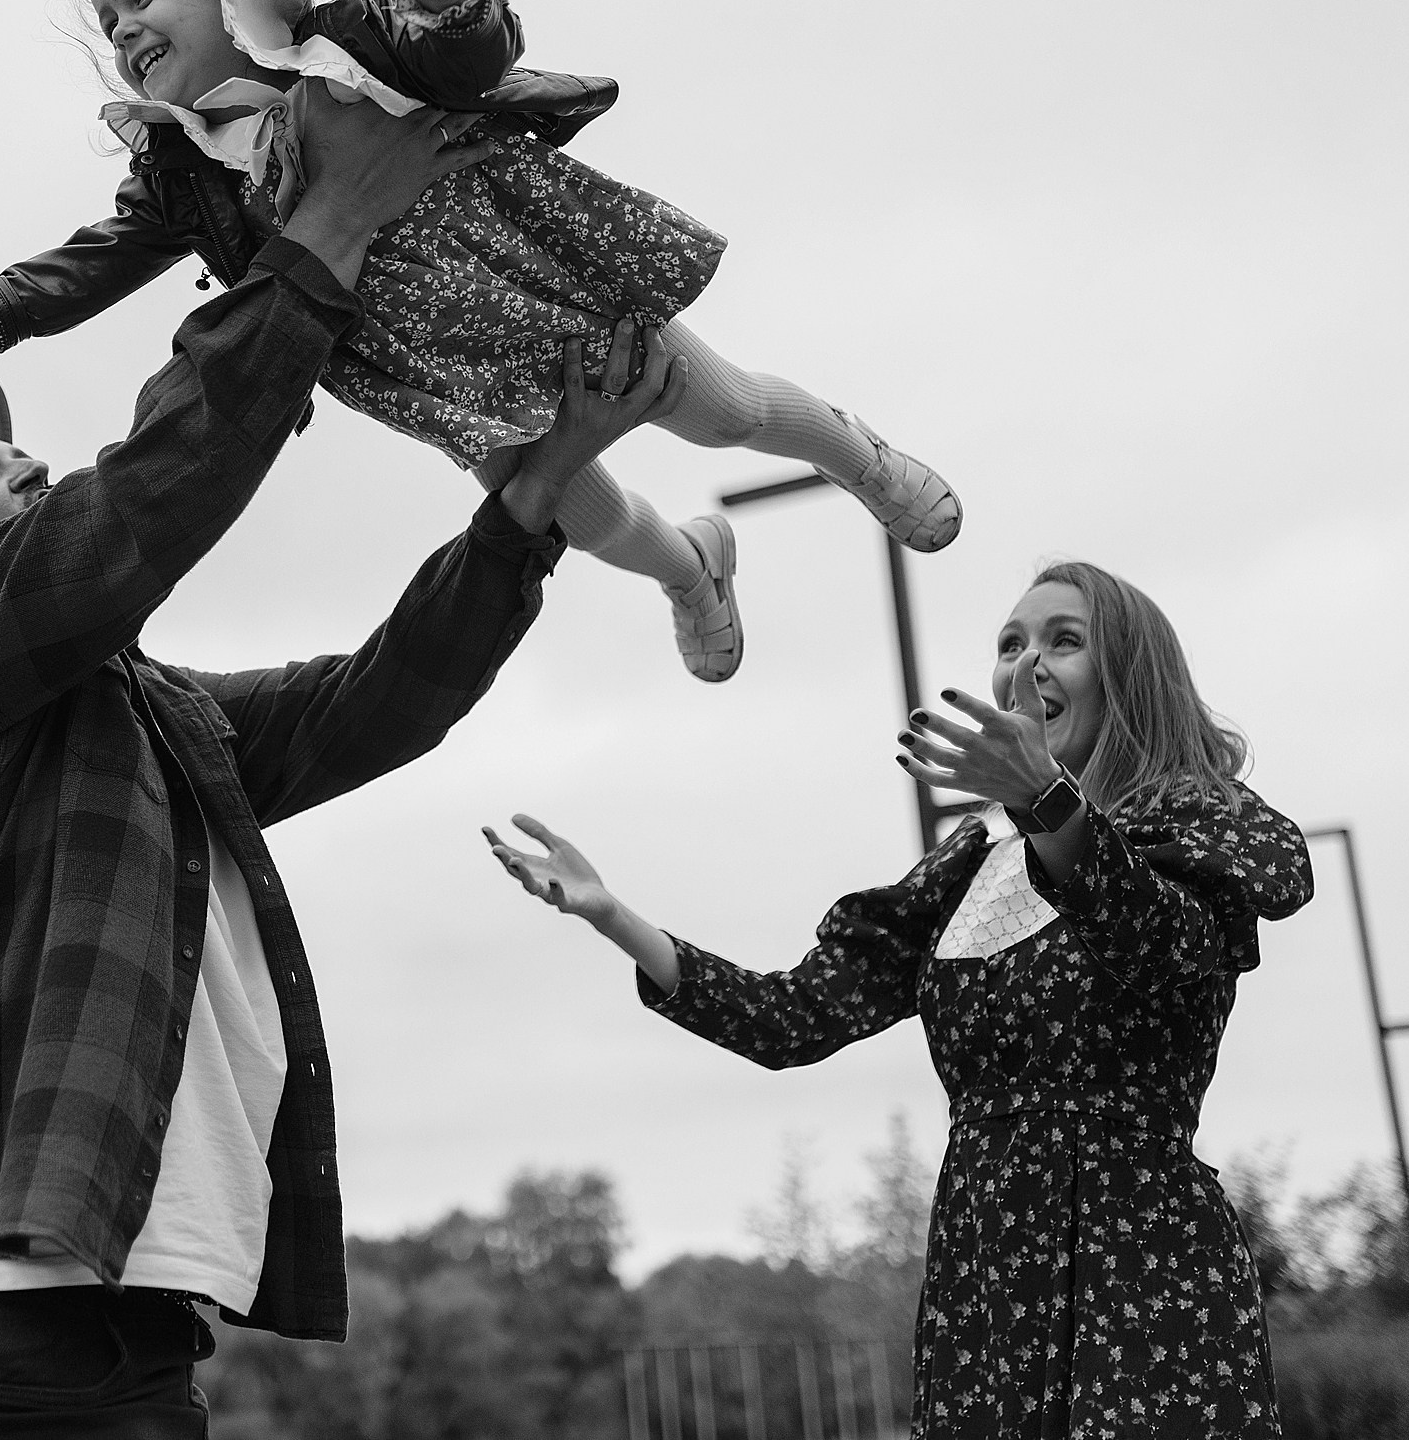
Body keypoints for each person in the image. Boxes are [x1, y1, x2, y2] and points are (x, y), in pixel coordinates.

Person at [0, 88, 690, 1438]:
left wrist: (534, 493)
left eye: (18, 450)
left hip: (120, 1324)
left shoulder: (139, 716)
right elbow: (151, 490)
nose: (22, 465)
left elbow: (374, 703)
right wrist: (327, 228)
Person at [0, 0, 962, 685]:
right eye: (109, 19)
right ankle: (690, 568)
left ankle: (856, 456)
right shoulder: (181, 165)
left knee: (719, 410)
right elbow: (97, 258)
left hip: (532, 283)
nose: (123, 28)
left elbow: (460, 61)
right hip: (431, 370)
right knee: (567, 510)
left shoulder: (338, 44)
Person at [484, 562, 1314, 1437]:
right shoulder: (969, 866)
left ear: (1128, 677)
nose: (1026, 662)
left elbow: (1157, 942)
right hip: (985, 1283)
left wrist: (1047, 804)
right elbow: (791, 1018)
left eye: (1063, 640)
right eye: (1009, 643)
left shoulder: (1192, 820)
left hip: (1137, 1263)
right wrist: (611, 915)